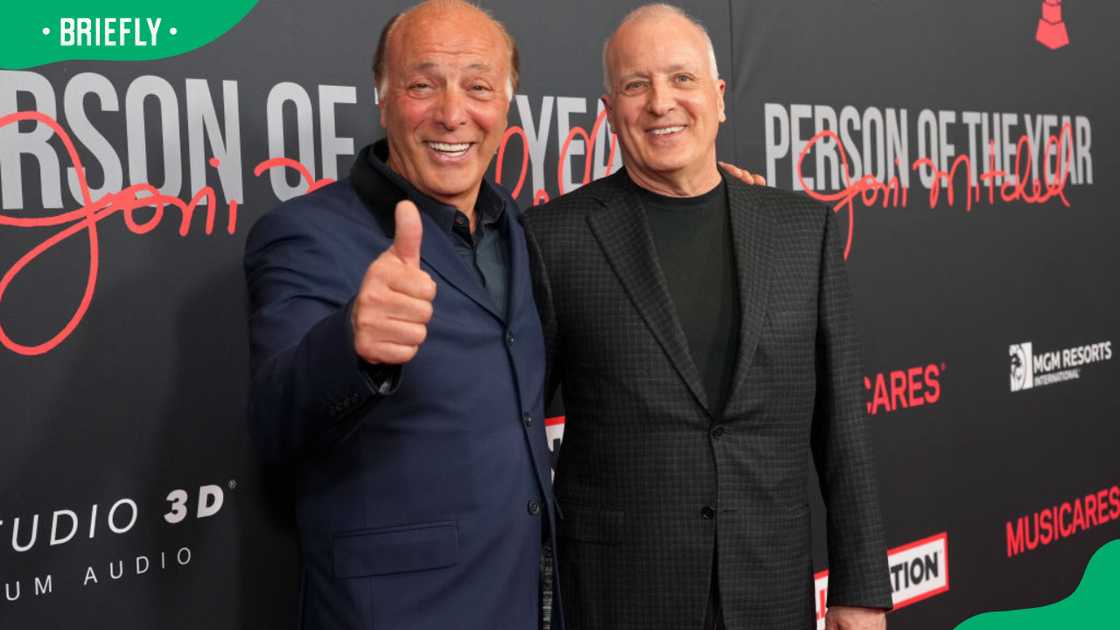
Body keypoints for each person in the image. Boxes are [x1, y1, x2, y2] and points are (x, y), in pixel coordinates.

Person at [523, 4, 892, 630]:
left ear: (719, 98)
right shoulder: (554, 238)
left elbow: (843, 429)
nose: (661, 102)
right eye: (636, 85)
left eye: (682, 79)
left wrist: (860, 589)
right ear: (610, 111)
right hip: (620, 597)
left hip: (770, 590)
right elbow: (515, 427)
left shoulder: (802, 230)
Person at [243, 2, 555, 628]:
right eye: (422, 84)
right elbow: (275, 418)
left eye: (478, 86)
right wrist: (351, 344)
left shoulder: (517, 227)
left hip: (524, 598)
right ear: (383, 99)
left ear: (507, 105)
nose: (451, 112)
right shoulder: (304, 234)